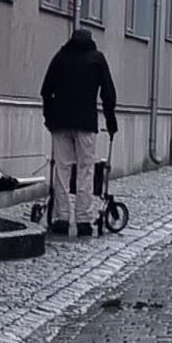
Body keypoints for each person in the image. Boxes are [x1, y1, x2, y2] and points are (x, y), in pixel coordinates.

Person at [40, 28, 118, 235]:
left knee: (62, 169)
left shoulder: (60, 58)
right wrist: (111, 122)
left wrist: (48, 117)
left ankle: (62, 217)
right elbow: (108, 94)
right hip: (85, 123)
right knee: (86, 170)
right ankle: (84, 219)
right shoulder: (96, 59)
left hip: (61, 122)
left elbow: (46, 90)